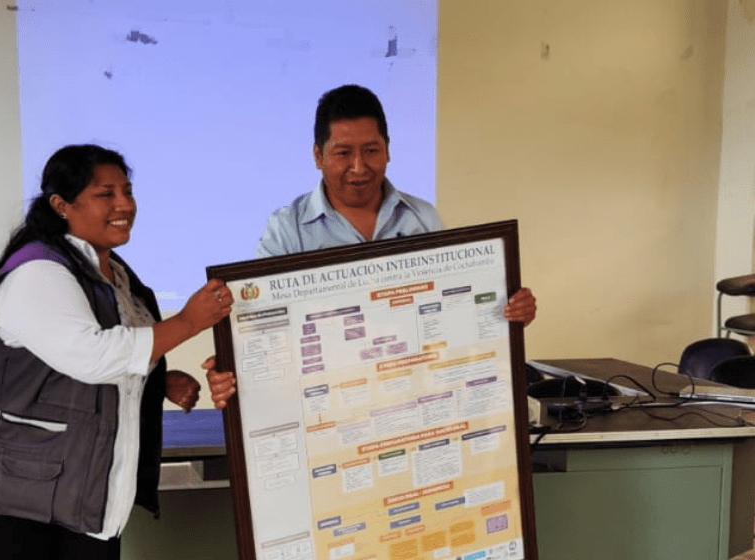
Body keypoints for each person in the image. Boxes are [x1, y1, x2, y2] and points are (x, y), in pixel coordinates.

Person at [0, 144, 234, 560]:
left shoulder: (110, 269)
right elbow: (93, 357)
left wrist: (156, 379)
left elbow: (79, 358)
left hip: (76, 491)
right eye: (105, 194)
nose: (125, 204)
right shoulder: (38, 272)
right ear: (61, 205)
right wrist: (188, 321)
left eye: (127, 191)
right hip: (12, 496)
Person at [205, 84, 536, 408]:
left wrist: (504, 309)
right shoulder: (287, 229)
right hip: (328, 406)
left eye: (371, 150)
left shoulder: (422, 219)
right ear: (318, 155)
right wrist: (236, 364)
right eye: (343, 153)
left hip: (412, 401)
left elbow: (453, 312)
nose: (359, 167)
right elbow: (261, 327)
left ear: (388, 150)